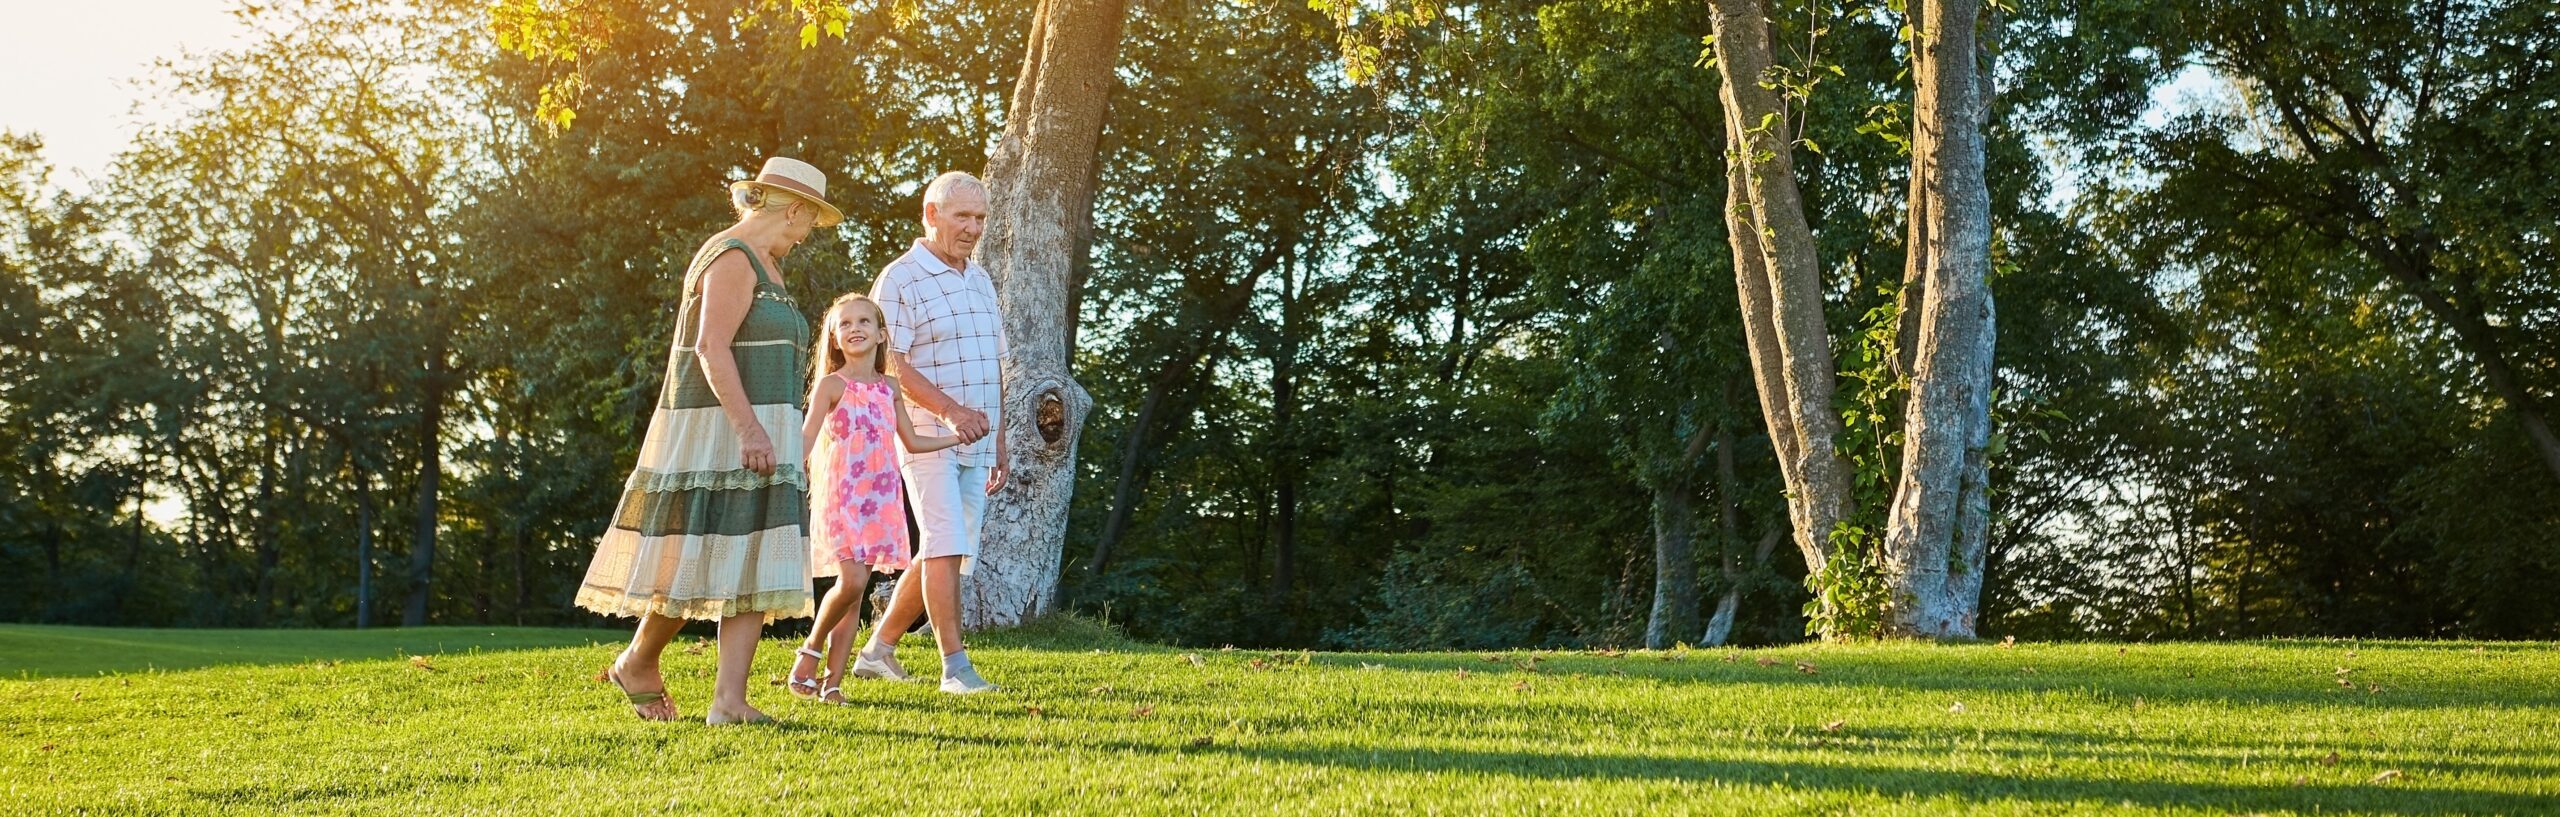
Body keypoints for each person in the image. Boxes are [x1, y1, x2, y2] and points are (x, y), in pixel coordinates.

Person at [575, 156, 843, 724]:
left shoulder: (769, 266)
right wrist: (749, 429)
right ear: (792, 208)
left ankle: (729, 701)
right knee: (695, 551)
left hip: (765, 428)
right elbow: (710, 347)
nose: (806, 234)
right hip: (722, 430)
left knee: (747, 552)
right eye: (808, 222)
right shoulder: (731, 257)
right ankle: (639, 660)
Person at [853, 171, 1009, 695]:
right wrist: (950, 413)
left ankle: (877, 651)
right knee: (944, 542)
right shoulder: (900, 278)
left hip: (977, 440)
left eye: (980, 218)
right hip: (925, 435)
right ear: (931, 214)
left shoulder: (981, 279)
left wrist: (999, 441)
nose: (972, 228)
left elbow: (995, 366)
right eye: (961, 216)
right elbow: (890, 365)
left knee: (945, 549)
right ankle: (956, 667)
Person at [785, 293, 961, 704]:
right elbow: (806, 440)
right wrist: (783, 473)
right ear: (833, 338)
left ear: (882, 334)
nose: (855, 329)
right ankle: (808, 653)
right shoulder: (832, 385)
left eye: (864, 321)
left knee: (855, 595)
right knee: (852, 581)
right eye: (844, 324)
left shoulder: (889, 388)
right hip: (842, 498)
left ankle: (832, 684)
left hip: (880, 500)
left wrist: (957, 436)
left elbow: (913, 441)